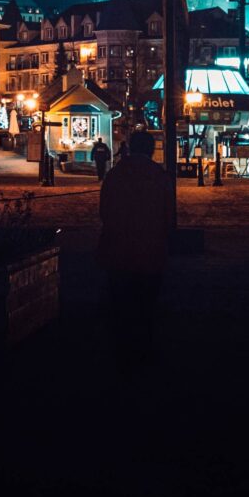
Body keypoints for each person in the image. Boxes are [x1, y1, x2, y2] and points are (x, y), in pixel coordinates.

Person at [97, 128, 172, 374]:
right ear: (151, 150)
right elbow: (168, 216)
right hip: (150, 253)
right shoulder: (159, 176)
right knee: (146, 309)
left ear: (130, 148)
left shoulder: (115, 175)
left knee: (121, 308)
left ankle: (121, 355)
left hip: (118, 251)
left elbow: (104, 212)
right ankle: (144, 353)